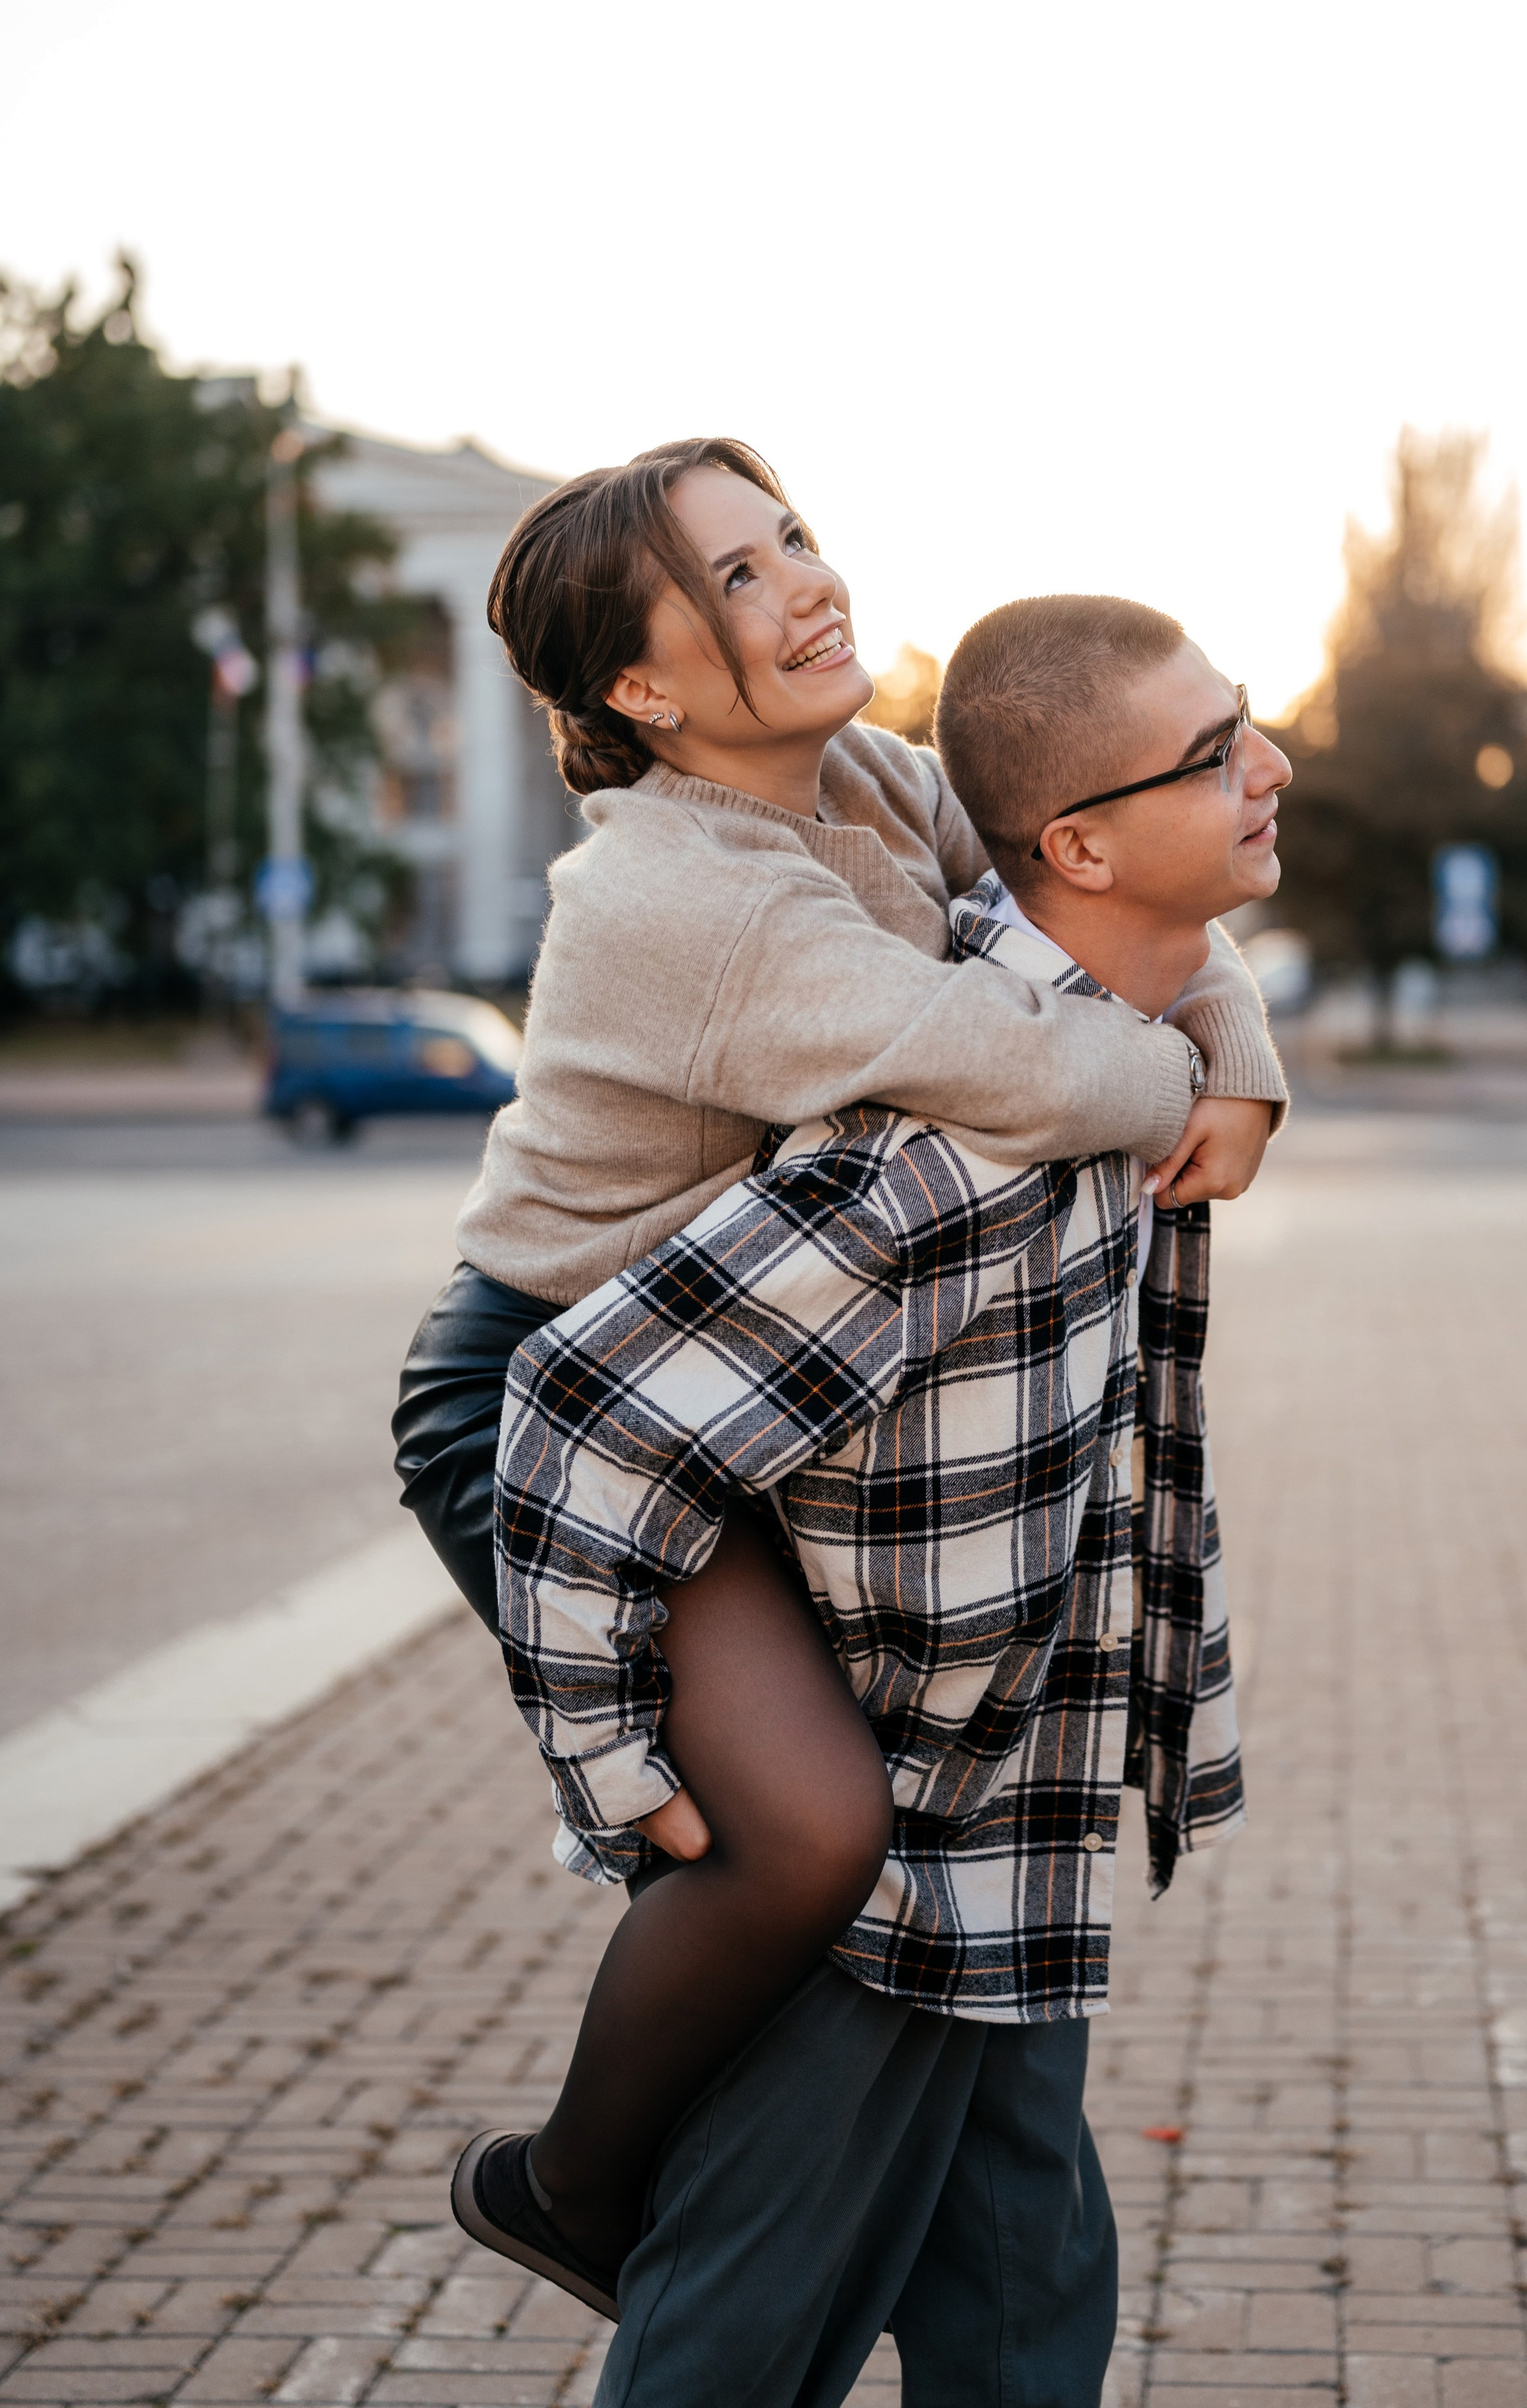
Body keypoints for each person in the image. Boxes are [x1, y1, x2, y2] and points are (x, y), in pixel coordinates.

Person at [395, 442, 1288, 2290]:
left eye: (787, 535)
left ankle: (899, 2261)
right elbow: (1029, 1059)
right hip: (546, 1401)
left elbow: (1093, 888)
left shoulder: (868, 780)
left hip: (723, 1400)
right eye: (733, 579)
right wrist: (1188, 1091)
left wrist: (1244, 1038)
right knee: (802, 1832)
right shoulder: (683, 893)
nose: (803, 583)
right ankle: (572, 2187)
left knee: (844, 1838)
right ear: (639, 690)